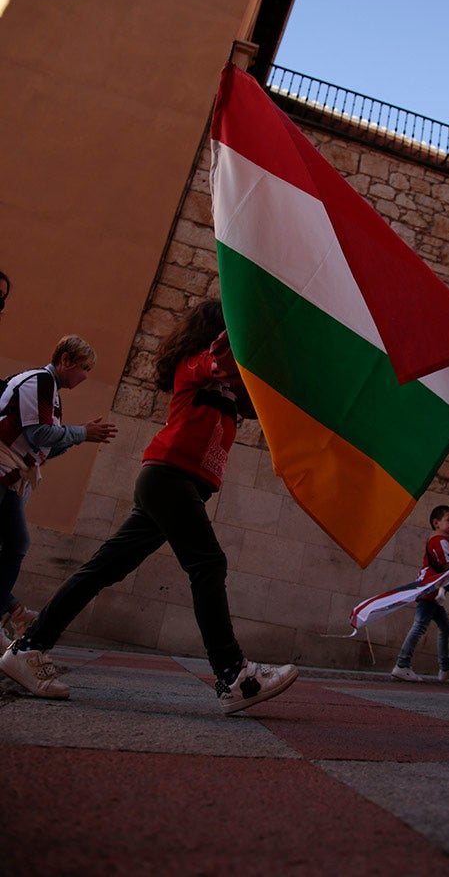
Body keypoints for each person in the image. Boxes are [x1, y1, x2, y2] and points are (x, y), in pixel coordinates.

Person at [0, 299, 298, 716]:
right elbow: (219, 361)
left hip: (180, 485)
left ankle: (27, 650)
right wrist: (243, 314)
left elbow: (256, 398)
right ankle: (234, 675)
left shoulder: (233, 382)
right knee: (207, 564)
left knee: (103, 569)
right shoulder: (196, 364)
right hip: (168, 477)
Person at [0, 335, 117, 652]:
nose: (85, 376)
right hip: (2, 468)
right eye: (84, 368)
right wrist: (80, 433)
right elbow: (38, 432)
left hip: (11, 475)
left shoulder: (50, 392)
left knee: (16, 542)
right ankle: (10, 609)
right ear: (65, 360)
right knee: (14, 542)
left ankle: (9, 608)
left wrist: (79, 437)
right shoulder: (39, 381)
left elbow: (42, 447)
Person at [391, 504, 449, 683]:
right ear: (436, 523)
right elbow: (448, 565)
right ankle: (402, 664)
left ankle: (446, 667)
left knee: (445, 626)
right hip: (430, 590)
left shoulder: (443, 541)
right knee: (420, 626)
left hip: (432, 591)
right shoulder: (440, 541)